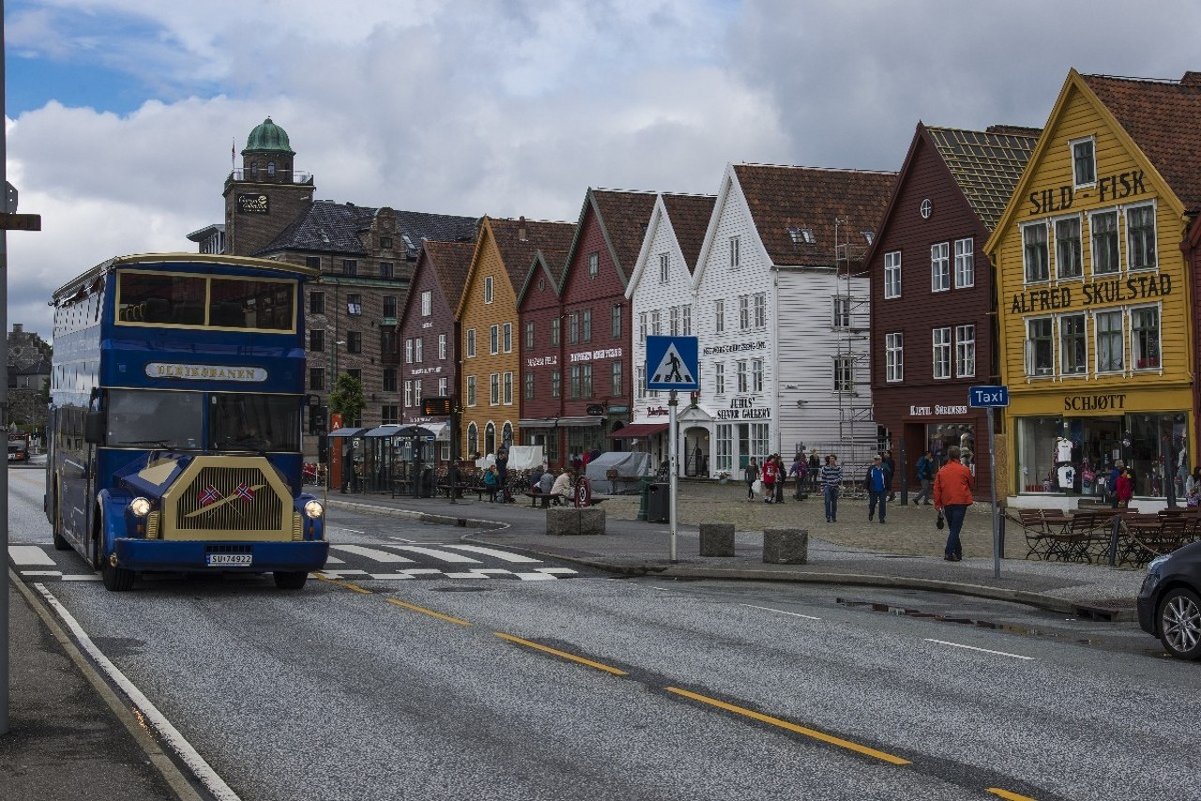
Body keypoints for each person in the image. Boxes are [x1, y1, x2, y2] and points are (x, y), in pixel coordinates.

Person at [933, 445, 974, 561]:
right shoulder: (964, 469)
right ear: (959, 455)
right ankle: (949, 552)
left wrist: (938, 504)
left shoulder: (942, 471)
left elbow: (937, 489)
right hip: (961, 501)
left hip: (947, 502)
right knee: (955, 529)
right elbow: (972, 483)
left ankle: (958, 552)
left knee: (953, 528)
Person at [864, 454, 889, 524]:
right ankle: (871, 513)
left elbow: (888, 479)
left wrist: (889, 489)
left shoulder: (884, 469)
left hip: (882, 489)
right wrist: (866, 487)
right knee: (872, 504)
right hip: (873, 489)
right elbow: (867, 478)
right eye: (875, 459)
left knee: (882, 504)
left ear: (880, 461)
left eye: (878, 459)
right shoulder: (871, 469)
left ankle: (882, 518)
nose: (876, 461)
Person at [820, 454, 842, 523]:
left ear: (835, 460)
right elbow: (823, 478)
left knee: (834, 503)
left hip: (835, 487)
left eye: (833, 458)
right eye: (830, 458)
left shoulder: (839, 468)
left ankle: (834, 516)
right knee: (827, 501)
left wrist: (835, 480)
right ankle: (828, 516)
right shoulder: (825, 468)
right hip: (827, 486)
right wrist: (822, 487)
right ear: (829, 460)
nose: (831, 459)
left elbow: (840, 477)